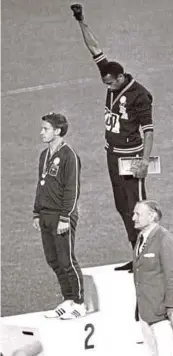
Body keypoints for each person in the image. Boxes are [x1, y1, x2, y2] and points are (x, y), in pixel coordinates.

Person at [71, 4, 154, 272]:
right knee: (122, 206)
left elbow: (149, 130)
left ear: (121, 77)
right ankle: (136, 253)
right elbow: (94, 49)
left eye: (110, 83)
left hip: (131, 157)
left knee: (139, 206)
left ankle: (149, 256)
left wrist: (143, 161)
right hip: (112, 155)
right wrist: (81, 20)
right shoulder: (110, 75)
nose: (107, 86)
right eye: (105, 83)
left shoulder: (140, 95)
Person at [33, 113, 85, 319]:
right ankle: (68, 298)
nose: (41, 133)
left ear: (58, 131)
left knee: (67, 260)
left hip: (61, 216)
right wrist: (36, 212)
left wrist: (66, 218)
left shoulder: (69, 155)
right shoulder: (43, 155)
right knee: (52, 260)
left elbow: (72, 189)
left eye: (45, 129)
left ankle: (80, 303)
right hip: (45, 214)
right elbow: (41, 184)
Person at [132, 200, 173, 356]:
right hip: (145, 311)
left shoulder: (164, 238)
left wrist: (171, 308)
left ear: (152, 215)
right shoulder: (141, 237)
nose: (133, 218)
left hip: (161, 313)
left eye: (137, 214)